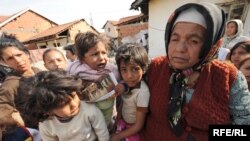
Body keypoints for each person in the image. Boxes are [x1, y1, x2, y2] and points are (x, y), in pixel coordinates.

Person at [140, 2, 250, 141]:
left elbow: (242, 127)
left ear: (212, 45)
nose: (179, 48)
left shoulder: (230, 77)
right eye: (174, 38)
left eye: (193, 41)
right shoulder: (154, 68)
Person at [23, 70, 109, 141]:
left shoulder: (89, 111)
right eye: (64, 104)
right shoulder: (46, 125)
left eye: (74, 96)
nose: (74, 104)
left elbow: (102, 133)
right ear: (48, 110)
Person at [68, 31, 120, 129]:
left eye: (104, 53)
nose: (101, 58)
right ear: (82, 58)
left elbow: (121, 81)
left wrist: (120, 87)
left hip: (108, 111)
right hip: (87, 117)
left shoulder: (111, 69)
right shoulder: (77, 70)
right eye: (95, 54)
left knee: (107, 128)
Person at [0, 32, 41, 140]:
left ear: (27, 54)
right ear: (5, 63)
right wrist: (15, 121)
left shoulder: (40, 73)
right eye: (10, 58)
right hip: (38, 132)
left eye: (19, 55)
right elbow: (2, 109)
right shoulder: (11, 83)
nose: (17, 61)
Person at [110, 44, 150, 141]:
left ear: (144, 69)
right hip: (123, 123)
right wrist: (114, 126)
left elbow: (139, 125)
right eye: (124, 70)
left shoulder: (142, 93)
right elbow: (122, 106)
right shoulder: (125, 85)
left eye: (135, 69)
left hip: (133, 130)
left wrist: (118, 136)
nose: (129, 76)